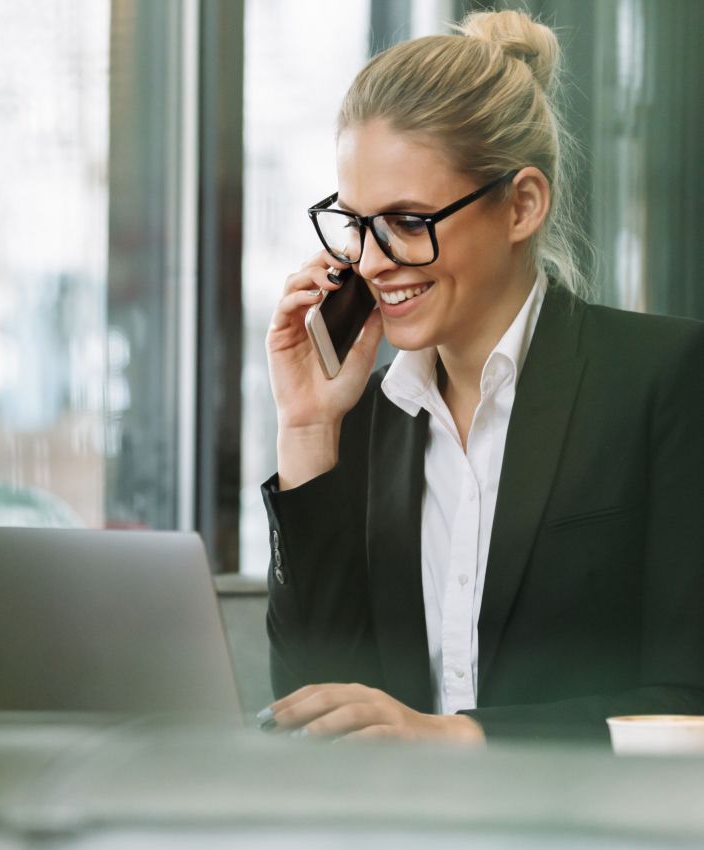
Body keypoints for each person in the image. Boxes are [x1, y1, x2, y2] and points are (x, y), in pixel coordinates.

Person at [257, 9, 704, 743]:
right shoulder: (366, 421)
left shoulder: (666, 380)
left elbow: (691, 705)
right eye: (356, 224)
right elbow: (314, 710)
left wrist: (464, 739)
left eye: (407, 221)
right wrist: (307, 429)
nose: (370, 263)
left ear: (522, 204)